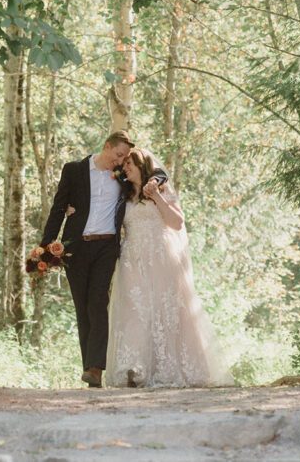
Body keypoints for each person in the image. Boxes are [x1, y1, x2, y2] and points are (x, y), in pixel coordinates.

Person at [41, 131, 165, 388]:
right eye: (119, 155)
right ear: (107, 147)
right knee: (82, 307)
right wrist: (44, 248)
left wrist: (156, 181)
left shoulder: (120, 177)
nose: (121, 161)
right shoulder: (73, 170)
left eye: (124, 158)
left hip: (106, 247)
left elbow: (156, 172)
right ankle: (88, 366)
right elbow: (58, 208)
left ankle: (96, 369)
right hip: (75, 247)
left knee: (98, 302)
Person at [104, 147, 233, 388]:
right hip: (132, 260)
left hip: (161, 258)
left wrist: (156, 196)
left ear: (142, 166)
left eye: (130, 164)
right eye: (125, 164)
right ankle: (133, 367)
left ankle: (165, 367)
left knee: (166, 310)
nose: (126, 168)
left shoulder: (160, 189)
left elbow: (176, 222)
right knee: (135, 311)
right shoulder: (122, 196)